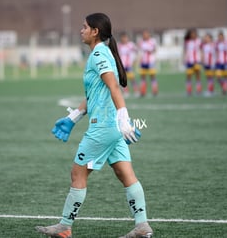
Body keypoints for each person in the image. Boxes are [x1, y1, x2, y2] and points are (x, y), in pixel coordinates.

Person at [35, 13, 153, 238]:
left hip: (103, 128)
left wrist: (123, 118)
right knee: (124, 173)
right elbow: (95, 94)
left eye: (84, 27)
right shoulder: (102, 53)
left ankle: (64, 226)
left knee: (77, 173)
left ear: (95, 31)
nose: (81, 30)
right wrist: (73, 118)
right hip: (112, 129)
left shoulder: (99, 53)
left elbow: (113, 87)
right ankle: (142, 225)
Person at [137, 30, 158, 97]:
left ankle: (154, 90)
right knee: (143, 77)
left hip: (150, 62)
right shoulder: (141, 42)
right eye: (144, 34)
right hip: (143, 62)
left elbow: (154, 49)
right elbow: (139, 51)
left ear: (149, 35)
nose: (145, 36)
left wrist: (149, 50)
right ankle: (143, 91)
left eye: (146, 34)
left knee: (152, 76)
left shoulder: (152, 41)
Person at [118, 32, 139, 97]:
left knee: (132, 78)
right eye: (123, 38)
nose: (124, 39)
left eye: (125, 38)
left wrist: (135, 60)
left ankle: (136, 91)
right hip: (122, 66)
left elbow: (136, 51)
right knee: (123, 79)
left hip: (129, 65)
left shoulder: (131, 45)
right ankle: (126, 91)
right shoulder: (119, 45)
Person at [184, 28, 202, 95]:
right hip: (189, 61)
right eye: (192, 34)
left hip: (197, 61)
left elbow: (201, 50)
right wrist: (184, 59)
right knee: (189, 76)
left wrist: (202, 59)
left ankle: (198, 89)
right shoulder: (187, 41)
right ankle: (189, 90)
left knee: (198, 76)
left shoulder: (198, 41)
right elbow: (185, 51)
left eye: (194, 33)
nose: (193, 35)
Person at [215, 31, 227, 95]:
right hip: (219, 62)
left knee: (225, 77)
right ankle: (223, 86)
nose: (220, 37)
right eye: (219, 36)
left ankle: (225, 89)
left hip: (226, 62)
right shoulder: (216, 44)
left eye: (221, 36)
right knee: (218, 76)